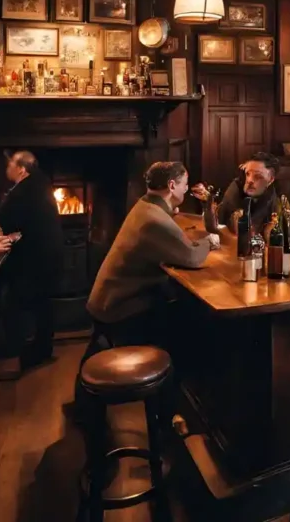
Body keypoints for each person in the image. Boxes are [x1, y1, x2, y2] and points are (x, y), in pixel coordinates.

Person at [75, 162, 219, 411]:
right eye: (184, 185)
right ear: (172, 186)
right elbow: (192, 258)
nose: (186, 191)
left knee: (182, 312)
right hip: (121, 308)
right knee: (192, 328)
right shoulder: (154, 219)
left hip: (107, 300)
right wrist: (209, 241)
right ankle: (173, 408)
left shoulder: (145, 206)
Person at [0, 150, 63, 373]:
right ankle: (40, 348)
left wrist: (3, 233)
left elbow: (5, 221)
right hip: (47, 255)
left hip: (32, 259)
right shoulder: (40, 185)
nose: (7, 168)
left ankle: (19, 352)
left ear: (21, 168)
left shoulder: (24, 191)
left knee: (17, 304)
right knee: (42, 303)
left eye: (10, 163)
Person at [200, 152, 290, 243]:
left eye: (258, 176)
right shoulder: (236, 188)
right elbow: (219, 224)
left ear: (270, 180)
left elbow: (289, 238)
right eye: (248, 174)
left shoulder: (278, 196)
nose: (250, 180)